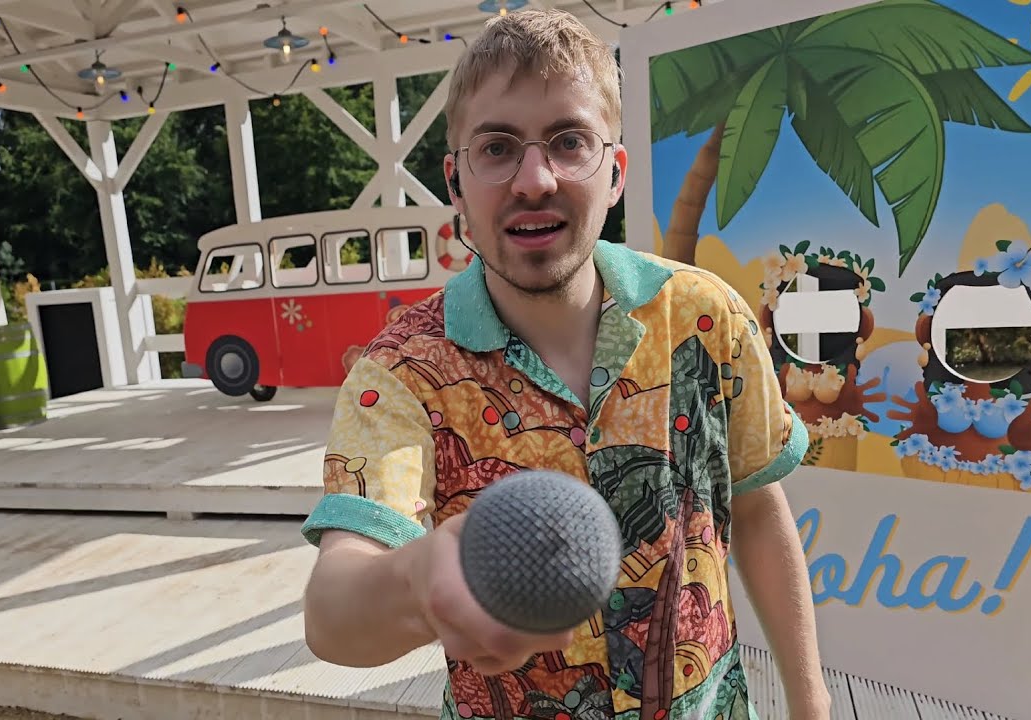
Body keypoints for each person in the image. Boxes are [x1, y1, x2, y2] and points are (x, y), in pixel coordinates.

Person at [298, 9, 830, 720]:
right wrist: (416, 578)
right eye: (497, 148)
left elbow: (759, 509)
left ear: (615, 173)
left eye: (569, 141)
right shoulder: (402, 372)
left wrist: (811, 700)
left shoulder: (708, 317)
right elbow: (332, 614)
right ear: (455, 185)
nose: (535, 179)